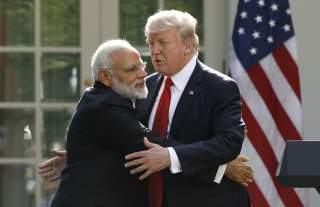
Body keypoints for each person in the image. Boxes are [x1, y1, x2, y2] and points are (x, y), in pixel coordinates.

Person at [124, 10, 251, 207]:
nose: (154, 50)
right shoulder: (144, 87)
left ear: (188, 46)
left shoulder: (221, 87)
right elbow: (132, 137)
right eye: (150, 43)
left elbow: (229, 143)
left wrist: (171, 156)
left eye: (163, 43)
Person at [48, 39, 177, 207]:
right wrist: (213, 160)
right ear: (105, 77)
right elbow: (150, 144)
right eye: (131, 69)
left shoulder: (99, 97)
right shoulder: (106, 107)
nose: (143, 74)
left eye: (141, 65)